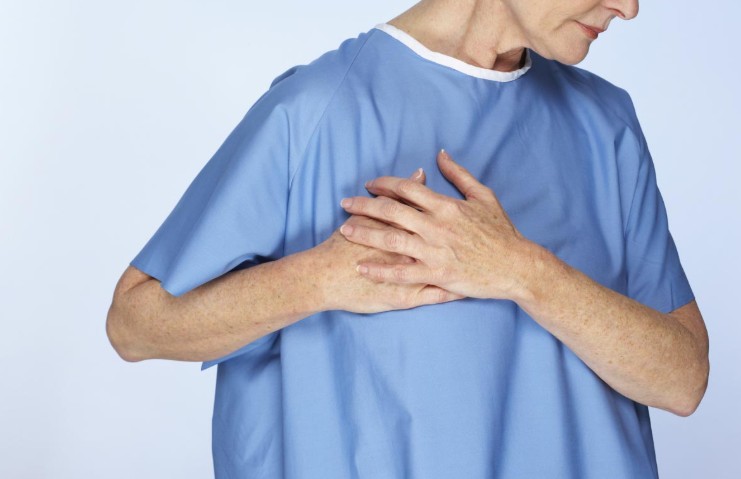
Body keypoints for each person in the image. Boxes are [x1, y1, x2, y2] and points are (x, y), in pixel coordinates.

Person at [107, 0, 710, 477]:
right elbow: (135, 324)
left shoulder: (605, 122)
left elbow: (683, 381)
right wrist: (317, 279)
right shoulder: (314, 110)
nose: (630, 7)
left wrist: (522, 272)